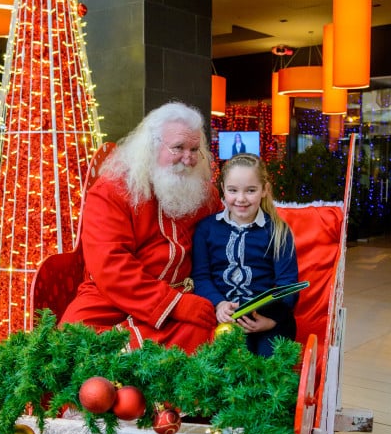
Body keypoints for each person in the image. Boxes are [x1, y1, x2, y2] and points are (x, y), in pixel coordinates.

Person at [60, 101, 220, 353]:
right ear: (152, 146)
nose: (188, 158)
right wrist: (172, 304)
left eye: (194, 149)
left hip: (184, 296)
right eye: (178, 147)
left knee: (205, 329)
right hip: (111, 299)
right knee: (71, 340)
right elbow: (110, 265)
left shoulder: (205, 195)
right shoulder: (112, 189)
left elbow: (222, 243)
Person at [191, 153, 299, 356]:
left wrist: (270, 321)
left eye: (251, 190)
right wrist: (219, 303)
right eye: (233, 190)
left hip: (268, 318)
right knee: (233, 358)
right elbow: (201, 276)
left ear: (264, 190)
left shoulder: (278, 231)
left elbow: (288, 285)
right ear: (223, 189)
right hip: (224, 317)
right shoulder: (206, 229)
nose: (241, 199)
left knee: (267, 359)